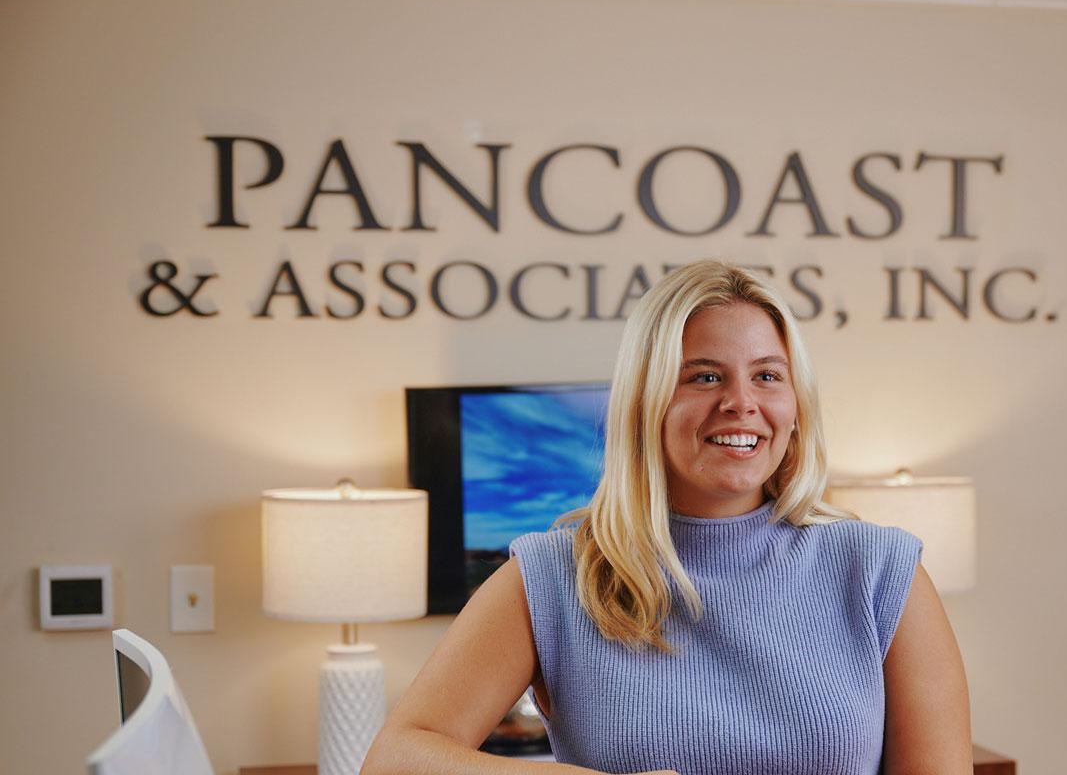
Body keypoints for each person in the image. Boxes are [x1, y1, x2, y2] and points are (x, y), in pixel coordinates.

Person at [362, 260, 971, 775]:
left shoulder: (880, 571)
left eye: (767, 376)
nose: (742, 403)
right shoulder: (553, 575)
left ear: (796, 407)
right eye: (704, 376)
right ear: (646, 402)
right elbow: (396, 758)